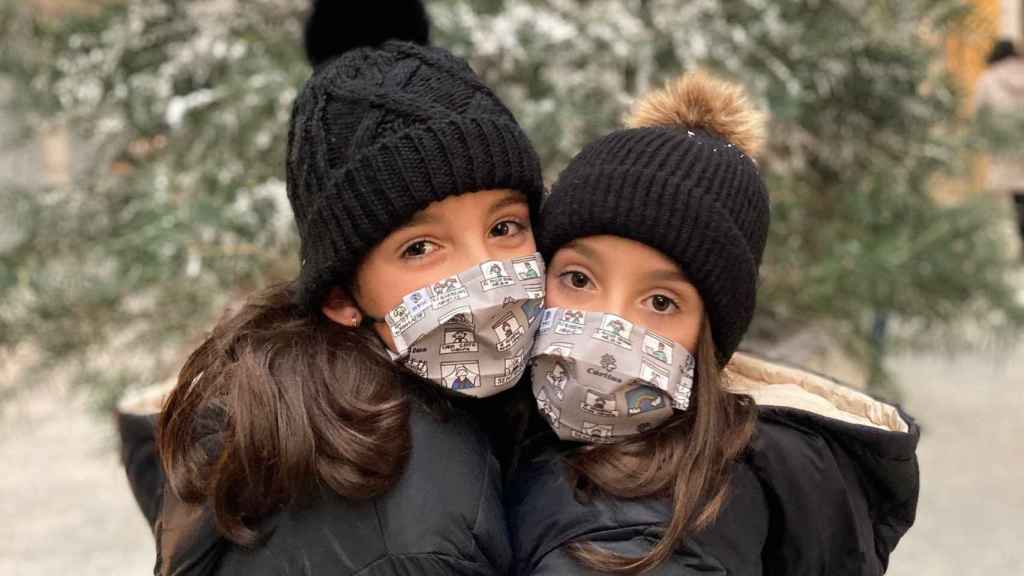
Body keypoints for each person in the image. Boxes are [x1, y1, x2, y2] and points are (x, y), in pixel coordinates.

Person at [128, 1, 547, 574]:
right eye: (420, 247)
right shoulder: (408, 528)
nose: (484, 275)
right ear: (342, 298)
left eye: (504, 228)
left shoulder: (309, 407)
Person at [508, 71, 920, 575]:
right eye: (578, 278)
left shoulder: (653, 538)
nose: (607, 323)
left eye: (660, 302)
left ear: (710, 339)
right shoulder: (521, 432)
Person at [975, 38, 1024, 254]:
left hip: (1005, 146)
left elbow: (979, 113)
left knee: (1011, 197)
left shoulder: (988, 79)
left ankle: (1011, 244)